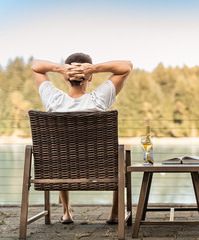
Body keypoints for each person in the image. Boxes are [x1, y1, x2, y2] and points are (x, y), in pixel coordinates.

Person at [31, 53, 132, 224]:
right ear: (90, 78)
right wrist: (93, 68)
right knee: (121, 157)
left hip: (60, 169)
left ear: (66, 79)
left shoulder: (53, 101)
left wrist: (60, 69)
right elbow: (126, 66)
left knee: (60, 155)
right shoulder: (99, 100)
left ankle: (66, 212)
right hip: (101, 169)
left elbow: (35, 66)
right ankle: (115, 214)